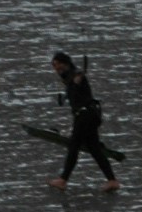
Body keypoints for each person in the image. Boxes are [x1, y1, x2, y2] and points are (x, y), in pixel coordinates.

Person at [48, 49, 119, 189]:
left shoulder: (76, 75)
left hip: (85, 116)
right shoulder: (68, 79)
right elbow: (71, 85)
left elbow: (78, 78)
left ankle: (63, 180)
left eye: (58, 64)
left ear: (65, 63)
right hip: (90, 116)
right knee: (94, 148)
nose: (56, 68)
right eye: (54, 66)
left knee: (73, 146)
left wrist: (77, 78)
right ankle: (112, 181)